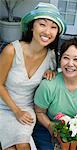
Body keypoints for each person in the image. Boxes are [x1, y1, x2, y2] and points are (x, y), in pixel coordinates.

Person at [0, 2, 66, 150]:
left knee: (23, 145)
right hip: (4, 107)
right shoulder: (11, 50)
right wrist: (16, 111)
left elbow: (52, 82)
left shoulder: (51, 57)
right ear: (32, 26)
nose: (47, 31)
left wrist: (53, 74)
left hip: (28, 108)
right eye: (42, 24)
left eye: (53, 27)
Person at [33, 37, 77, 150]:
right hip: (47, 128)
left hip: (74, 130)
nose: (70, 64)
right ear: (60, 60)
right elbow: (39, 112)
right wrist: (51, 127)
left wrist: (74, 135)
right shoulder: (48, 85)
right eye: (66, 58)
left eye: (76, 59)